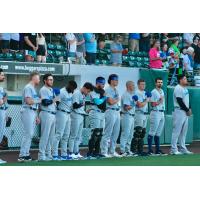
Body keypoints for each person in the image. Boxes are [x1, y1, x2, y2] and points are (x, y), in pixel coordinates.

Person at [18, 71, 41, 162]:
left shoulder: (33, 88)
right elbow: (28, 101)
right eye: (38, 77)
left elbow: (32, 103)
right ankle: (22, 155)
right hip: (27, 110)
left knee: (30, 134)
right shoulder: (28, 87)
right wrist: (39, 100)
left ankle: (26, 154)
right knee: (27, 133)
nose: (39, 79)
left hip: (32, 111)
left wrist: (36, 116)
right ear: (34, 77)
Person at [52, 81, 77, 161]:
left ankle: (64, 154)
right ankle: (54, 154)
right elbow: (55, 102)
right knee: (59, 134)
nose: (73, 89)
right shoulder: (62, 91)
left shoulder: (70, 92)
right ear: (69, 85)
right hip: (61, 113)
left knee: (66, 135)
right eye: (72, 87)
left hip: (68, 114)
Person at [68, 82, 93, 159]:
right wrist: (82, 105)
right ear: (84, 88)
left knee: (78, 136)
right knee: (73, 135)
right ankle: (70, 152)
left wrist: (85, 112)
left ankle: (76, 152)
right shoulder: (77, 93)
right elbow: (75, 106)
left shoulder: (82, 95)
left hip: (80, 116)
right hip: (75, 115)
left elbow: (80, 106)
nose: (88, 93)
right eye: (88, 91)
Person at [170, 75, 193, 155]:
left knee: (184, 131)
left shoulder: (185, 88)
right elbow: (179, 101)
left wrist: (189, 108)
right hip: (179, 111)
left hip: (185, 112)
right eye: (184, 79)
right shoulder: (178, 88)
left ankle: (183, 148)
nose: (186, 80)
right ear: (180, 80)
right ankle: (173, 149)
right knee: (176, 131)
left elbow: (187, 100)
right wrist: (187, 110)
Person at [38, 74, 58, 161]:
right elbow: (45, 102)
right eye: (49, 79)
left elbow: (54, 102)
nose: (51, 81)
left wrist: (56, 100)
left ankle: (48, 154)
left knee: (51, 136)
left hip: (53, 113)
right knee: (45, 135)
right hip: (46, 113)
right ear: (45, 80)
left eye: (52, 80)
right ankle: (41, 155)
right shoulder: (43, 89)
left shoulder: (51, 90)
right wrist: (55, 100)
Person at [100, 74, 121, 157]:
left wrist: (115, 100)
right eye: (116, 80)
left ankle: (112, 151)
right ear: (111, 81)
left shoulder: (116, 90)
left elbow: (114, 101)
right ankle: (104, 151)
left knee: (116, 133)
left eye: (117, 80)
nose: (117, 81)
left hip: (117, 111)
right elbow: (110, 102)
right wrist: (117, 99)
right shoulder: (107, 89)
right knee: (108, 132)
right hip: (110, 111)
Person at [87, 77, 106, 159]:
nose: (103, 85)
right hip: (95, 113)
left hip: (101, 113)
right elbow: (97, 102)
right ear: (97, 83)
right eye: (102, 83)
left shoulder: (102, 92)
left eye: (104, 83)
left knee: (100, 133)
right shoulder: (93, 91)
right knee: (95, 133)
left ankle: (96, 152)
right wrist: (105, 97)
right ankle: (90, 153)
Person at [131, 79, 150, 156]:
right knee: (137, 132)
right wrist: (147, 100)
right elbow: (139, 105)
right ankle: (133, 150)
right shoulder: (136, 92)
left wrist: (147, 99)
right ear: (138, 85)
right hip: (138, 113)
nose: (143, 86)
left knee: (143, 133)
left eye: (144, 84)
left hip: (145, 114)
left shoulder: (145, 93)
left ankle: (140, 150)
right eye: (142, 84)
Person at [148, 77, 166, 155]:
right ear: (155, 83)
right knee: (152, 132)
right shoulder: (153, 92)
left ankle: (157, 150)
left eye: (161, 82)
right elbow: (151, 104)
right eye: (158, 82)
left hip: (162, 112)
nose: (160, 83)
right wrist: (159, 101)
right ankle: (149, 150)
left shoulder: (162, 91)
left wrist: (160, 102)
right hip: (155, 112)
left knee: (158, 133)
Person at [120, 81, 137, 156]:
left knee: (130, 134)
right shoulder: (126, 95)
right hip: (126, 115)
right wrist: (134, 103)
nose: (134, 86)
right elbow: (126, 108)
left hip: (132, 116)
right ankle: (122, 150)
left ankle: (127, 150)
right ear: (128, 86)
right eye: (132, 85)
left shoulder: (131, 94)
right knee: (125, 134)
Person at [0, 68, 7, 164]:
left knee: (1, 135)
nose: (3, 77)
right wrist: (5, 98)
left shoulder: (1, 88)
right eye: (2, 75)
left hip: (2, 111)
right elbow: (1, 102)